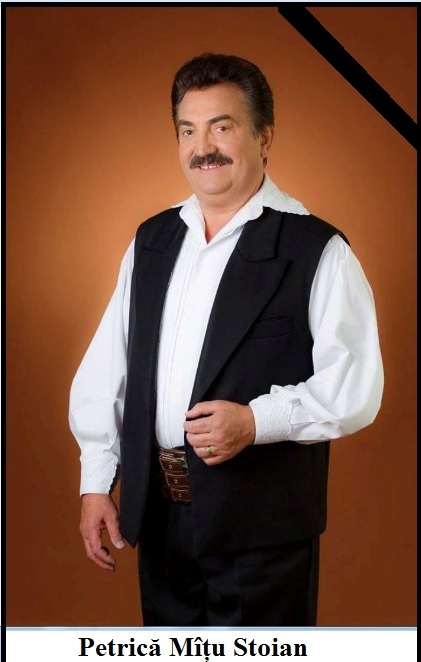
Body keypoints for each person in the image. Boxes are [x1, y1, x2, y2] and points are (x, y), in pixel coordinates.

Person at [69, 53, 384, 626]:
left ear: (264, 137)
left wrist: (257, 422)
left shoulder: (318, 249)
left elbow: (354, 389)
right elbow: (107, 371)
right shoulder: (150, 241)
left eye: (222, 126)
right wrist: (96, 483)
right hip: (161, 523)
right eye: (188, 130)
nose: (203, 147)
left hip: (264, 534)